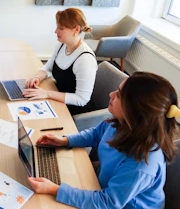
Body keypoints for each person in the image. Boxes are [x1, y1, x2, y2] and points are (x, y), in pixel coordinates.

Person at [28, 72, 180, 208]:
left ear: (135, 110)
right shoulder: (122, 123)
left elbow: (108, 203)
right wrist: (65, 140)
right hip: (104, 187)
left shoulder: (142, 164)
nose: (111, 94)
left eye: (119, 95)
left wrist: (56, 190)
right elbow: (96, 134)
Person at [23, 8, 97, 115]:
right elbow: (48, 67)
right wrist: (37, 77)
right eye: (57, 27)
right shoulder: (62, 45)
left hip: (74, 111)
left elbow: (81, 99)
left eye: (61, 28)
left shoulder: (85, 60)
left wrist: (47, 93)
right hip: (58, 99)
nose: (56, 31)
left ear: (76, 30)